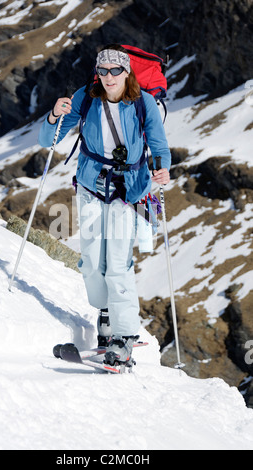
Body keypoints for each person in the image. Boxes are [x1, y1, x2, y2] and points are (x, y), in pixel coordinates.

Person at [38, 44, 171, 368]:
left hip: (129, 190)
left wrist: (163, 167)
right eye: (103, 70)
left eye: (116, 71)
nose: (109, 76)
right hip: (91, 186)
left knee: (117, 263)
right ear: (97, 73)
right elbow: (48, 139)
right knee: (91, 263)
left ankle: (123, 336)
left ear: (127, 73)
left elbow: (158, 141)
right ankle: (106, 311)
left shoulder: (144, 103)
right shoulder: (86, 96)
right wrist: (55, 114)